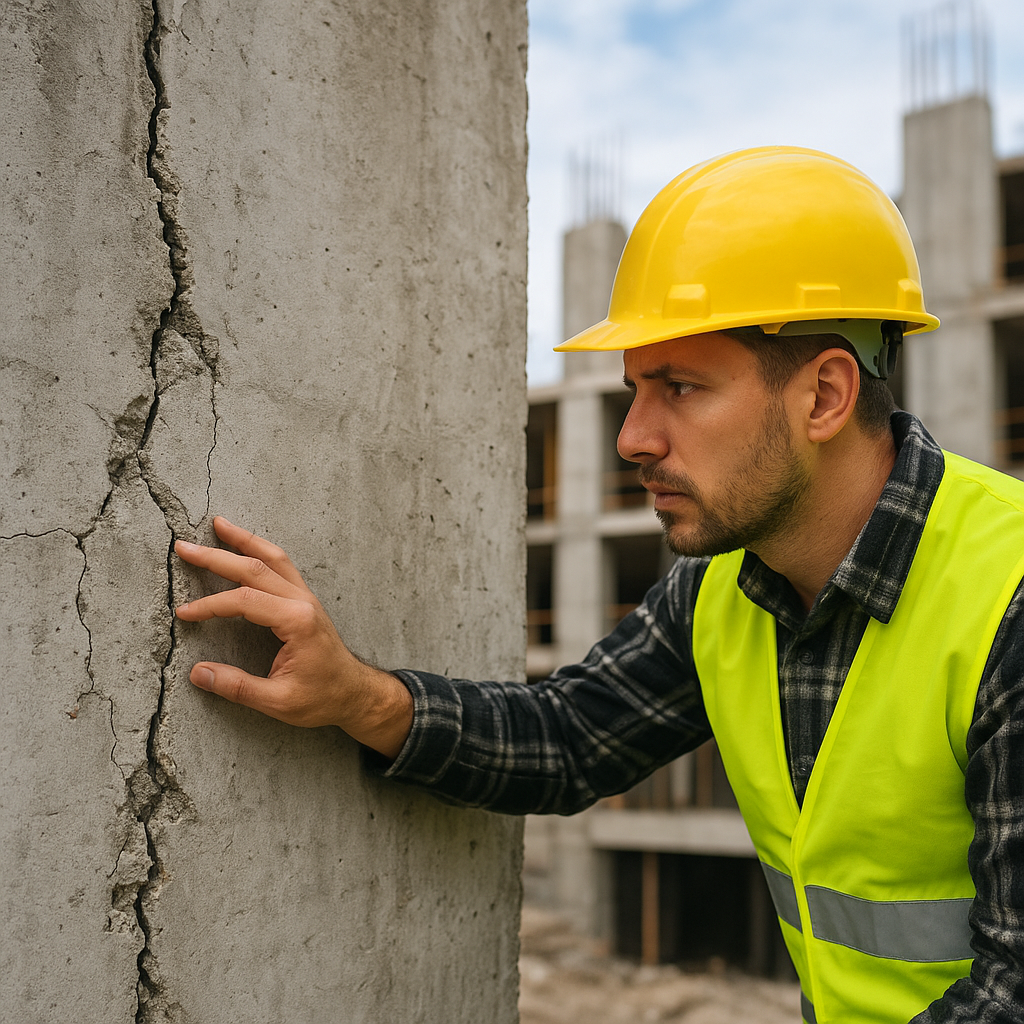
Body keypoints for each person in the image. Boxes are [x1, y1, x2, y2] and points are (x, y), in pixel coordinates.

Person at [173, 148, 1024, 1024]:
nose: (632, 438)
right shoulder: (723, 588)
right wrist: (355, 695)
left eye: (680, 387)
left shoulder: (1009, 591)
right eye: (634, 390)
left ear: (825, 396)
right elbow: (571, 737)